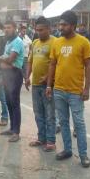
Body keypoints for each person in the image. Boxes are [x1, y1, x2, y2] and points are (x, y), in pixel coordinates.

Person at [46, 10, 90, 168]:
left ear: (73, 25)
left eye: (64, 24)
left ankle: (84, 154)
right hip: (59, 90)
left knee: (79, 123)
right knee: (64, 122)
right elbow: (52, 64)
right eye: (60, 24)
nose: (61, 27)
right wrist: (48, 85)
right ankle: (67, 150)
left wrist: (87, 89)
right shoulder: (57, 42)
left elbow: (88, 66)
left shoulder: (83, 42)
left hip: (75, 92)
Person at [25, 16, 56, 152]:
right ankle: (41, 138)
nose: (39, 32)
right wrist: (27, 77)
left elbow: (57, 64)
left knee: (49, 114)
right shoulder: (35, 42)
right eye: (37, 30)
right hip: (36, 85)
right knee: (38, 113)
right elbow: (30, 61)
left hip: (48, 85)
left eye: (41, 30)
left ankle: (50, 141)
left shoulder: (55, 42)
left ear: (49, 29)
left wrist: (49, 78)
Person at [0, 20, 24, 142]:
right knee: (8, 102)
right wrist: (4, 61)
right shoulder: (8, 42)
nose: (6, 30)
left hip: (15, 74)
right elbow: (5, 60)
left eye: (9, 27)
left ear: (15, 28)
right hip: (7, 74)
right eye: (5, 27)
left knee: (14, 102)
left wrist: (3, 60)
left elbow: (10, 59)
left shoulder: (17, 42)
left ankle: (16, 132)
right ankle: (12, 127)